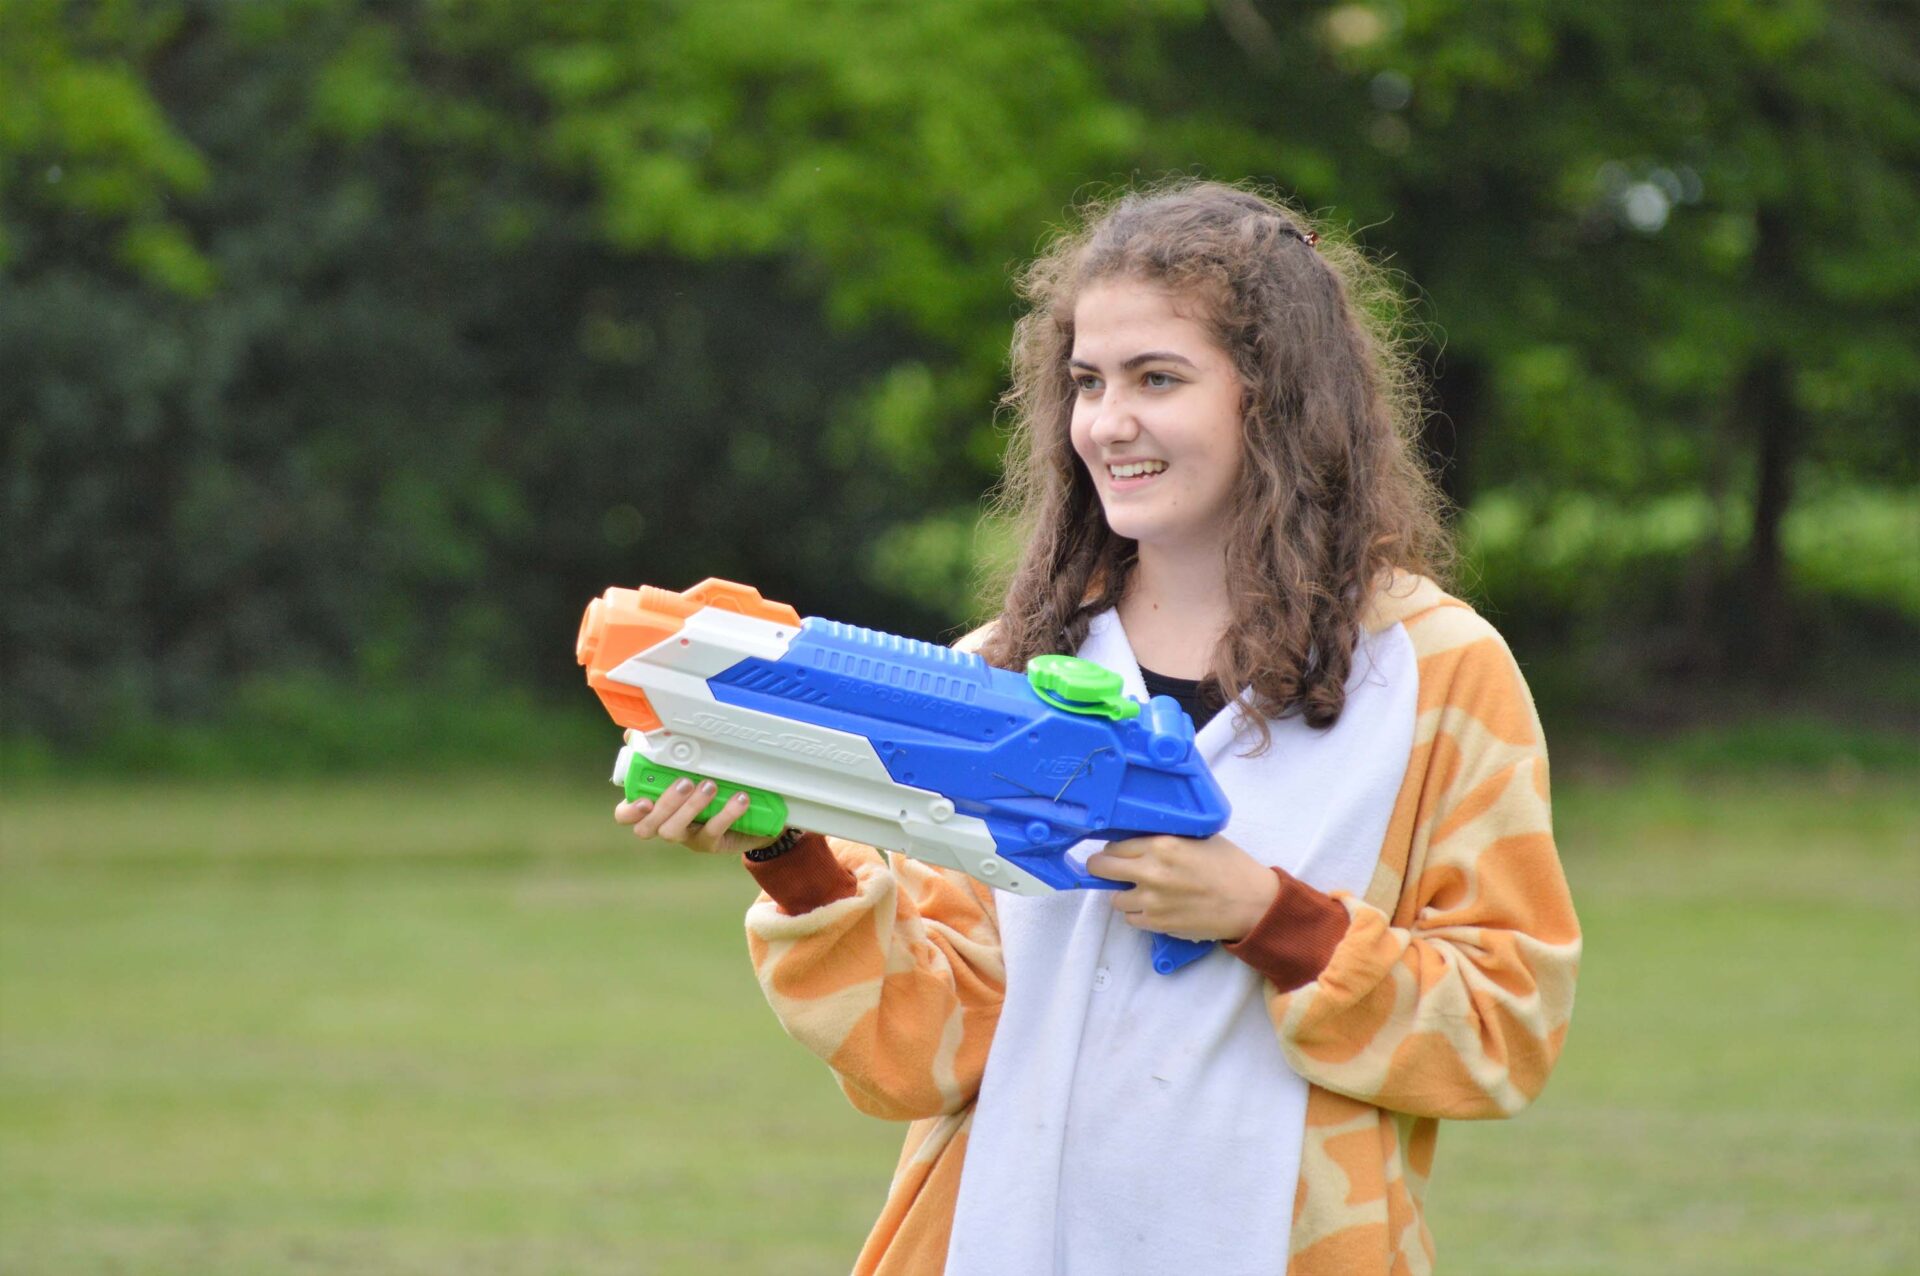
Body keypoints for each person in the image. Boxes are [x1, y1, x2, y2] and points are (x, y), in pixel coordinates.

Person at [614, 180, 1580, 1275]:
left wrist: (1270, 917)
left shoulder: (1440, 671)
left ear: (1277, 397)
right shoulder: (1005, 666)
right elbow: (922, 1061)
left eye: (1158, 378)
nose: (1108, 421)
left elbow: (1506, 1029)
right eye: (1087, 381)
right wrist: (791, 857)